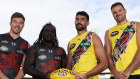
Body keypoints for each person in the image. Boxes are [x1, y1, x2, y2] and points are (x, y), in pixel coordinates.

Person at [67, 11, 108, 79]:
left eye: (82, 19)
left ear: (88, 23)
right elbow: (68, 67)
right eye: (77, 19)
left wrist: (85, 75)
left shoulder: (93, 37)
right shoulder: (70, 42)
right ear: (75, 22)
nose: (79, 21)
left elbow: (104, 64)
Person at [105, 2, 140, 79]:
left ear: (125, 11)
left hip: (136, 73)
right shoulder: (108, 32)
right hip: (116, 76)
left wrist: (128, 71)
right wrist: (115, 73)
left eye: (120, 10)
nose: (117, 13)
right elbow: (107, 55)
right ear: (112, 15)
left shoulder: (137, 25)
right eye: (114, 12)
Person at [0, 12, 29, 79]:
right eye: (15, 22)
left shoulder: (26, 44)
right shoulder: (1, 38)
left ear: (23, 25)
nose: (17, 25)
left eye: (20, 23)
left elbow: (25, 67)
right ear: (10, 23)